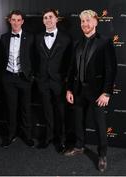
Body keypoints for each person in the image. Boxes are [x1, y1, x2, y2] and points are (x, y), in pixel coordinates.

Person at [64, 10, 117, 172]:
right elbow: (72, 68)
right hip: (79, 90)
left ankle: (102, 155)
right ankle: (79, 146)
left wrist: (106, 92)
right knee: (78, 122)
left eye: (87, 20)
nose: (84, 24)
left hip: (97, 93)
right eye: (82, 22)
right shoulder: (77, 43)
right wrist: (69, 89)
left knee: (100, 125)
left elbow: (111, 69)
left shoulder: (105, 42)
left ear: (95, 22)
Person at [35, 9, 72, 151]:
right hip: (43, 81)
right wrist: (37, 77)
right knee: (47, 112)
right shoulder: (37, 38)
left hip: (59, 82)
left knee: (61, 112)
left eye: (51, 17)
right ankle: (48, 138)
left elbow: (69, 62)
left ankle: (62, 140)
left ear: (57, 19)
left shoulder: (66, 38)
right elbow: (34, 58)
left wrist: (65, 80)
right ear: (43, 20)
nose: (48, 20)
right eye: (45, 17)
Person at [0, 10, 34, 148]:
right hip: (8, 78)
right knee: (11, 109)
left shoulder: (30, 37)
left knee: (26, 109)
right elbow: (0, 58)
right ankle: (11, 135)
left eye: (19, 20)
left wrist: (32, 76)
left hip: (24, 78)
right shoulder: (4, 37)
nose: (16, 22)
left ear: (22, 22)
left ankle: (27, 136)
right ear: (9, 21)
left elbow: (34, 58)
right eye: (13, 20)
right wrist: (3, 76)